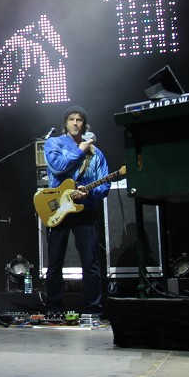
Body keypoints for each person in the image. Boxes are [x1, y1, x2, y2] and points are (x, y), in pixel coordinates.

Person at [42, 106, 110, 315]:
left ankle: (93, 309)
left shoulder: (96, 153)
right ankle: (54, 308)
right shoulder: (54, 143)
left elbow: (104, 184)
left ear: (84, 124)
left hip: (85, 210)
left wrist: (89, 194)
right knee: (55, 263)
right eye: (71, 119)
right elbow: (58, 166)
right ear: (65, 123)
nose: (75, 122)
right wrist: (79, 150)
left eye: (79, 119)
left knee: (90, 263)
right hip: (59, 209)